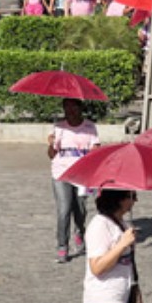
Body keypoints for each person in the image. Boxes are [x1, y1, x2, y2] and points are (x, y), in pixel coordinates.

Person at [48, 98, 100, 263]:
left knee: (80, 210)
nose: (69, 111)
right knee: (64, 209)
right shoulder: (59, 127)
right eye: (66, 108)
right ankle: (62, 246)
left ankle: (79, 231)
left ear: (80, 108)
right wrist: (51, 144)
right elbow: (51, 155)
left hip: (82, 174)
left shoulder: (89, 127)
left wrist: (94, 151)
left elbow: (95, 149)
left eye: (73, 107)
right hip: (61, 173)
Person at [83, 189, 138, 303]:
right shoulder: (100, 225)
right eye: (132, 196)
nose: (135, 201)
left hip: (122, 298)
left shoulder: (120, 223)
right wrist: (122, 244)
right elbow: (97, 267)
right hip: (105, 300)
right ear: (119, 200)